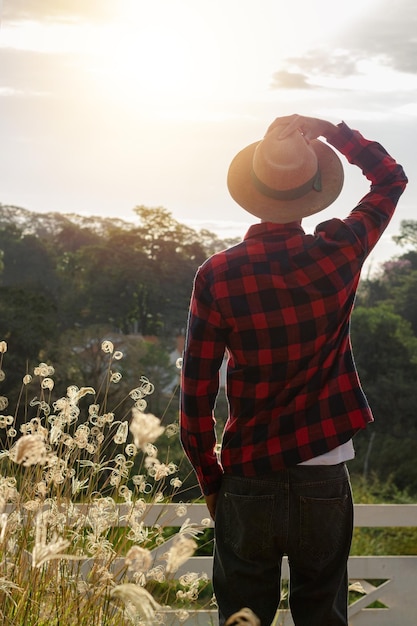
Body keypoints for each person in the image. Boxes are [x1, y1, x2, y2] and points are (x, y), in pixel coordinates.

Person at [179, 114, 408, 626]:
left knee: (242, 620)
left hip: (247, 476)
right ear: (314, 188)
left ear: (252, 189)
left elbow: (196, 396)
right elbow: (392, 177)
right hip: (323, 474)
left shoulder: (217, 274)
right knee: (323, 616)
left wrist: (211, 480)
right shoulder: (339, 251)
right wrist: (329, 130)